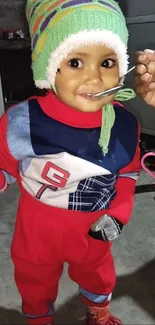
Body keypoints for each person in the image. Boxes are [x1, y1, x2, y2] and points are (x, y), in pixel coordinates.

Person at [0, 1, 140, 325]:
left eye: (107, 62)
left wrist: (118, 215)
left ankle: (98, 313)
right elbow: (4, 161)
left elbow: (128, 173)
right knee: (34, 277)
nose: (95, 78)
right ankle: (38, 319)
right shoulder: (24, 121)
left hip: (93, 229)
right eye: (76, 62)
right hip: (37, 230)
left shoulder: (125, 125)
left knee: (98, 274)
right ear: (49, 67)